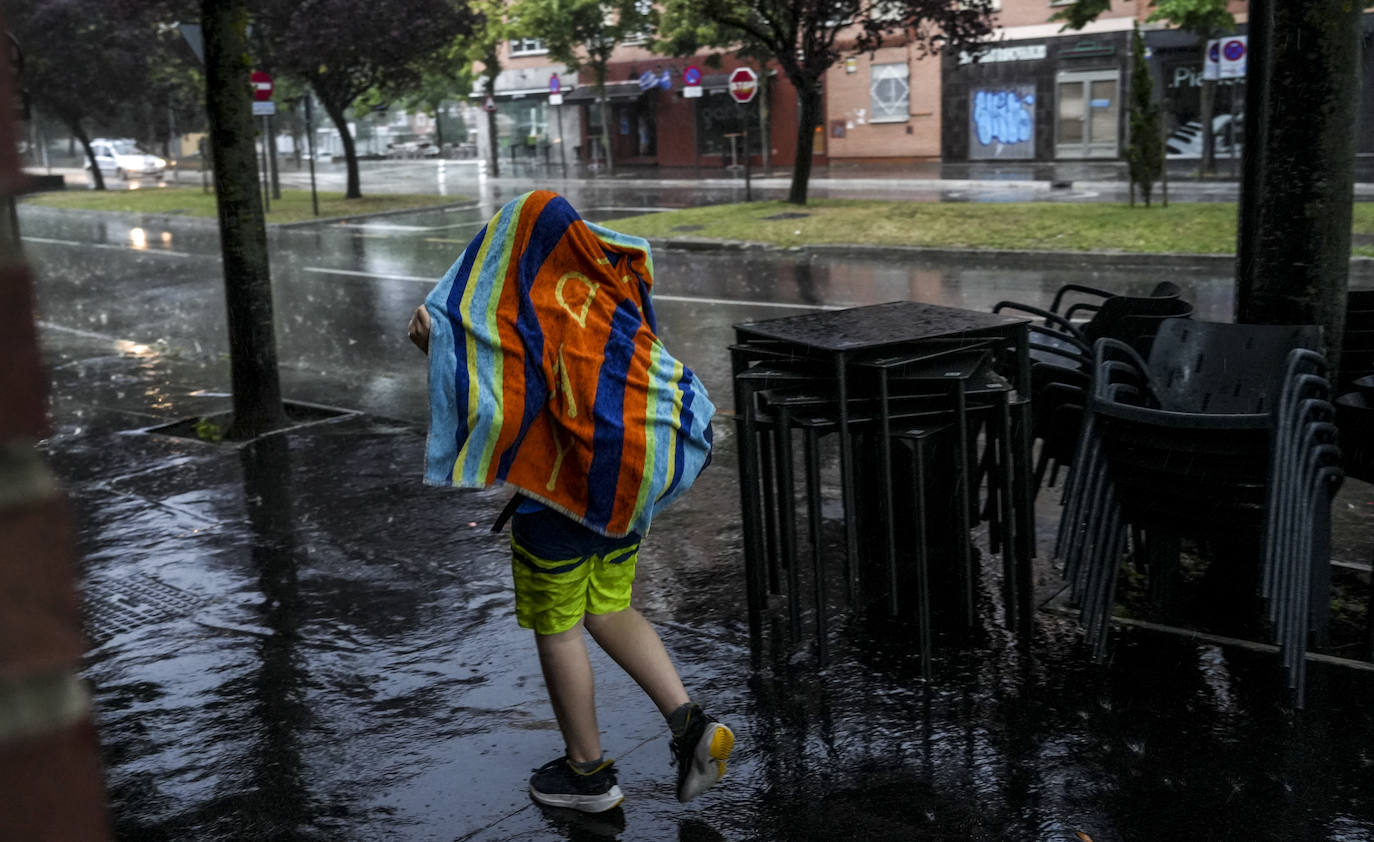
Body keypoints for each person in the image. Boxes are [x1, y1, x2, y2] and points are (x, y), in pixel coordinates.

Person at [407, 191, 734, 813]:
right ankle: (692, 727)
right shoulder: (610, 291)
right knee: (608, 609)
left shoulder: (525, 312)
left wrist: (437, 334)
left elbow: (486, 392)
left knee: (558, 631)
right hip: (630, 484)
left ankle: (586, 774)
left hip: (559, 500)